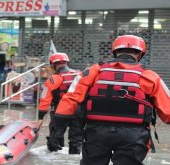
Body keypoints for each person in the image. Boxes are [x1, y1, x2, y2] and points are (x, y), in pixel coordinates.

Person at [48, 35, 170, 165]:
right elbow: (167, 111)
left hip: (96, 132)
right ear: (140, 54)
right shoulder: (150, 76)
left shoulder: (93, 71)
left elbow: (70, 98)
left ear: (115, 51)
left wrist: (58, 130)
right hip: (133, 135)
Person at [38, 52, 82, 154]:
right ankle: (74, 152)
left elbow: (45, 99)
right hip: (78, 110)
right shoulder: (79, 75)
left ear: (53, 64)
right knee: (76, 140)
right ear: (67, 62)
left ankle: (55, 151)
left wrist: (40, 117)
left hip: (60, 111)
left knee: (55, 139)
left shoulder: (53, 79)